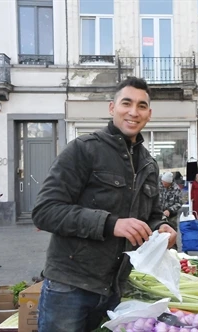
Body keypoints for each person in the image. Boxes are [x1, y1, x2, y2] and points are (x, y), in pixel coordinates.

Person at [32, 77, 177, 332]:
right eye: (126, 103)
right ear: (112, 108)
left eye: (142, 106)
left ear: (149, 114)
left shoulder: (148, 164)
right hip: (70, 287)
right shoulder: (83, 150)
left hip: (114, 289)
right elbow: (45, 211)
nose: (133, 112)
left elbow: (152, 214)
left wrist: (161, 227)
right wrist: (111, 224)